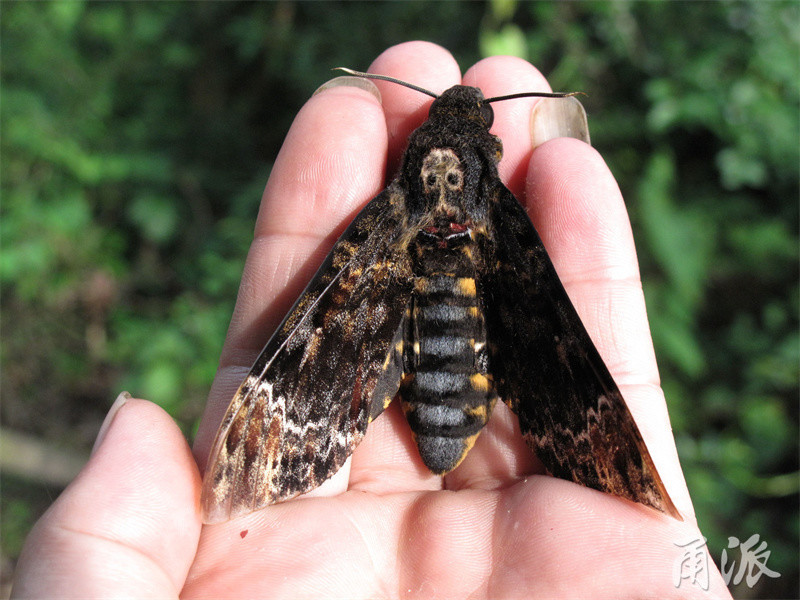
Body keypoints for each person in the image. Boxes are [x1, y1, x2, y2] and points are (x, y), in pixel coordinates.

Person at [12, 42, 731, 599]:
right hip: (480, 353)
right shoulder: (495, 203)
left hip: (406, 315)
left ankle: (282, 447)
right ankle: (610, 473)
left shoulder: (399, 201)